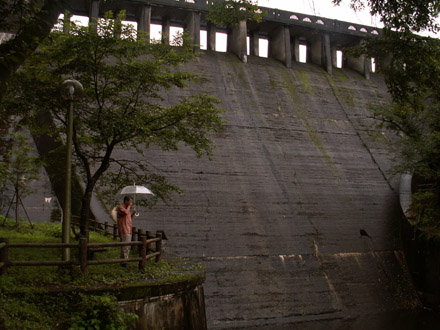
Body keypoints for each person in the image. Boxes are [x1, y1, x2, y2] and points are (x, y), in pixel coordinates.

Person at [117, 196, 136, 266]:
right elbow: (125, 213)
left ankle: (123, 260)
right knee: (125, 246)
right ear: (126, 201)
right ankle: (124, 262)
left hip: (128, 228)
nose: (131, 203)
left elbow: (128, 217)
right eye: (130, 201)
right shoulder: (121, 207)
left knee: (127, 246)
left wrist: (133, 213)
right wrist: (129, 207)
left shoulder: (127, 208)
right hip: (124, 229)